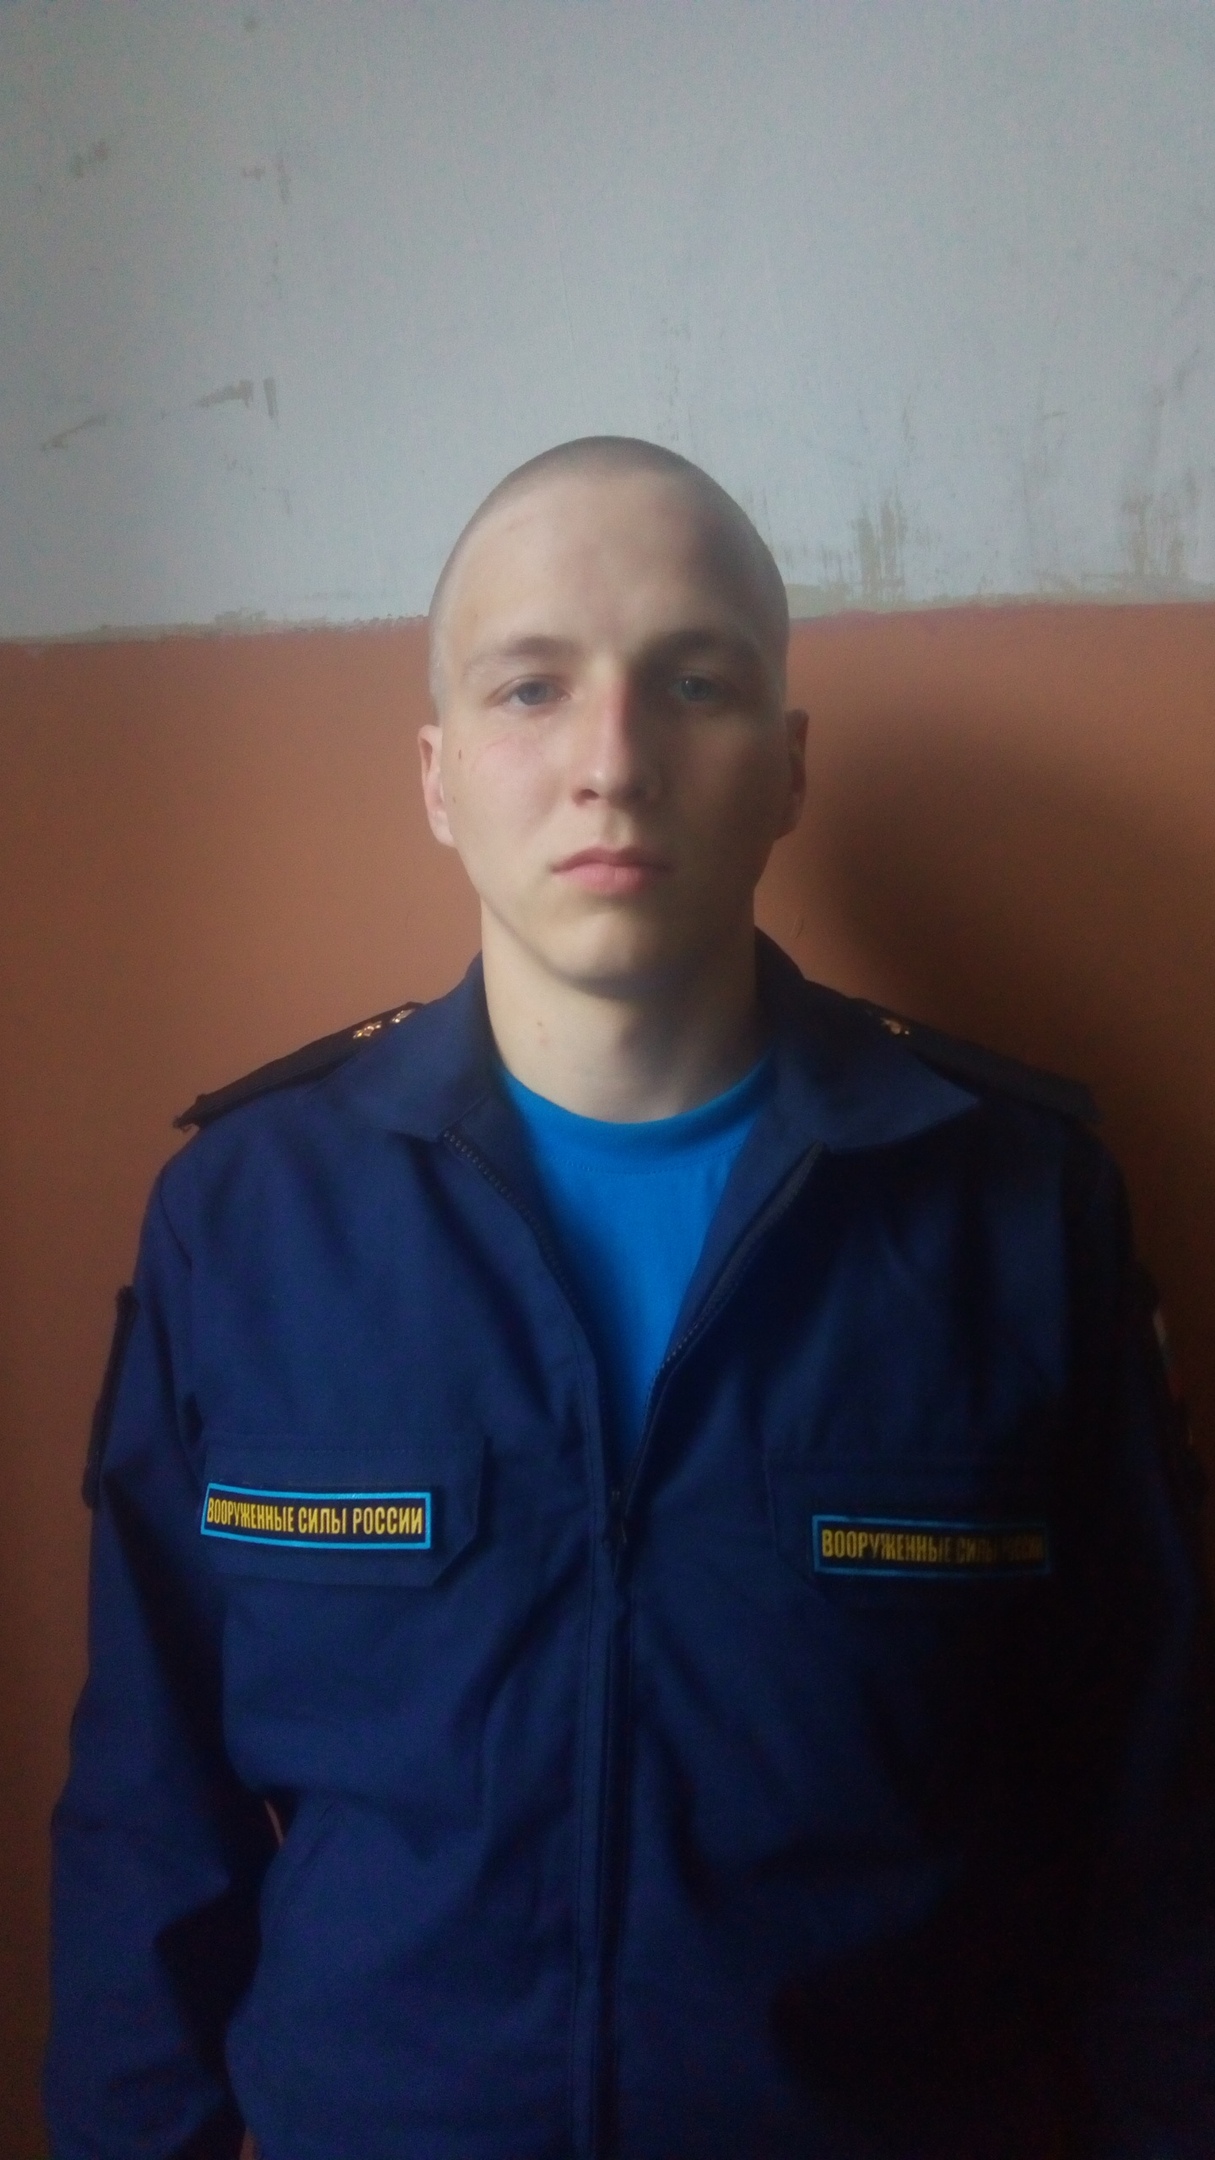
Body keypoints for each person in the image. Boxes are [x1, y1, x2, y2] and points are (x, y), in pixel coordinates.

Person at [46, 437, 1213, 2160]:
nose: (612, 762)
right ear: (437, 776)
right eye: (532, 687)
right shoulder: (247, 1219)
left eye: (694, 682)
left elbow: (1158, 1839)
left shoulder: (1017, 1212)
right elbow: (149, 1827)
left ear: (788, 767)